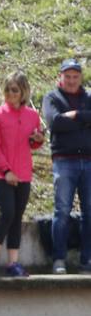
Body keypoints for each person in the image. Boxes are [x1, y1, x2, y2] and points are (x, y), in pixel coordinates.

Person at [0, 72, 44, 278]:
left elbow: (34, 142)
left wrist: (37, 139)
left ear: (23, 92)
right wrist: (6, 170)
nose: (10, 94)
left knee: (17, 217)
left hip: (23, 173)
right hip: (1, 174)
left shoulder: (31, 115)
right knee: (6, 213)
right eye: (8, 90)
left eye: (15, 90)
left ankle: (13, 262)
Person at [42, 59, 91, 274]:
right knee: (62, 211)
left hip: (89, 161)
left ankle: (86, 260)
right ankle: (59, 259)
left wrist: (75, 115)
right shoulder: (52, 97)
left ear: (80, 78)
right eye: (67, 76)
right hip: (64, 161)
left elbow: (67, 122)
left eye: (75, 76)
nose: (71, 80)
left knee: (90, 213)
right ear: (60, 77)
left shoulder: (88, 98)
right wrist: (84, 121)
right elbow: (55, 123)